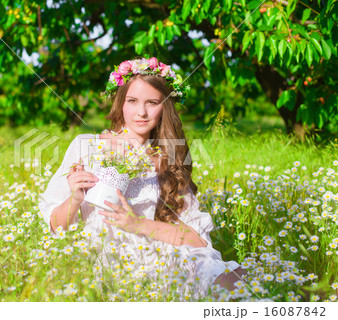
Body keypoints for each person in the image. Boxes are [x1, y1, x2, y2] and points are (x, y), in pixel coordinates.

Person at [38, 57, 245, 300]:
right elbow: (55, 226)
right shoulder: (86, 147)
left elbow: (197, 240)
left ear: (165, 107)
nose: (142, 112)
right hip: (108, 261)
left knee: (232, 276)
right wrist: (74, 199)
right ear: (121, 102)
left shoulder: (170, 155)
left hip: (159, 254)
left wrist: (136, 224)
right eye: (132, 101)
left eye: (153, 102)